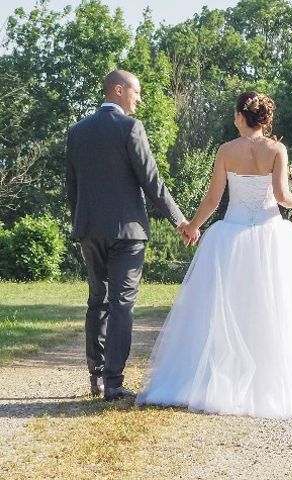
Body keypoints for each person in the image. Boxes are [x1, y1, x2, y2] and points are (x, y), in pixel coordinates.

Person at [136, 91, 292, 418]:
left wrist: (192, 226)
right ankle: (274, 381)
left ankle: (215, 379)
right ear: (265, 119)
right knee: (275, 307)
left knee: (226, 308)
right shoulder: (276, 150)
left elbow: (212, 200)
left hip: (230, 234)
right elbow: (280, 194)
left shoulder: (225, 151)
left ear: (239, 116)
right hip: (270, 234)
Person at [65, 70, 190, 401]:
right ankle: (114, 382)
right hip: (128, 233)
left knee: (97, 301)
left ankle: (96, 378)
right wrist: (179, 220)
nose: (139, 98)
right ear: (118, 90)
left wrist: (81, 231)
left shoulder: (76, 131)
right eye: (137, 92)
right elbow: (152, 182)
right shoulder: (131, 128)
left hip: (90, 230)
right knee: (121, 304)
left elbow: (72, 188)